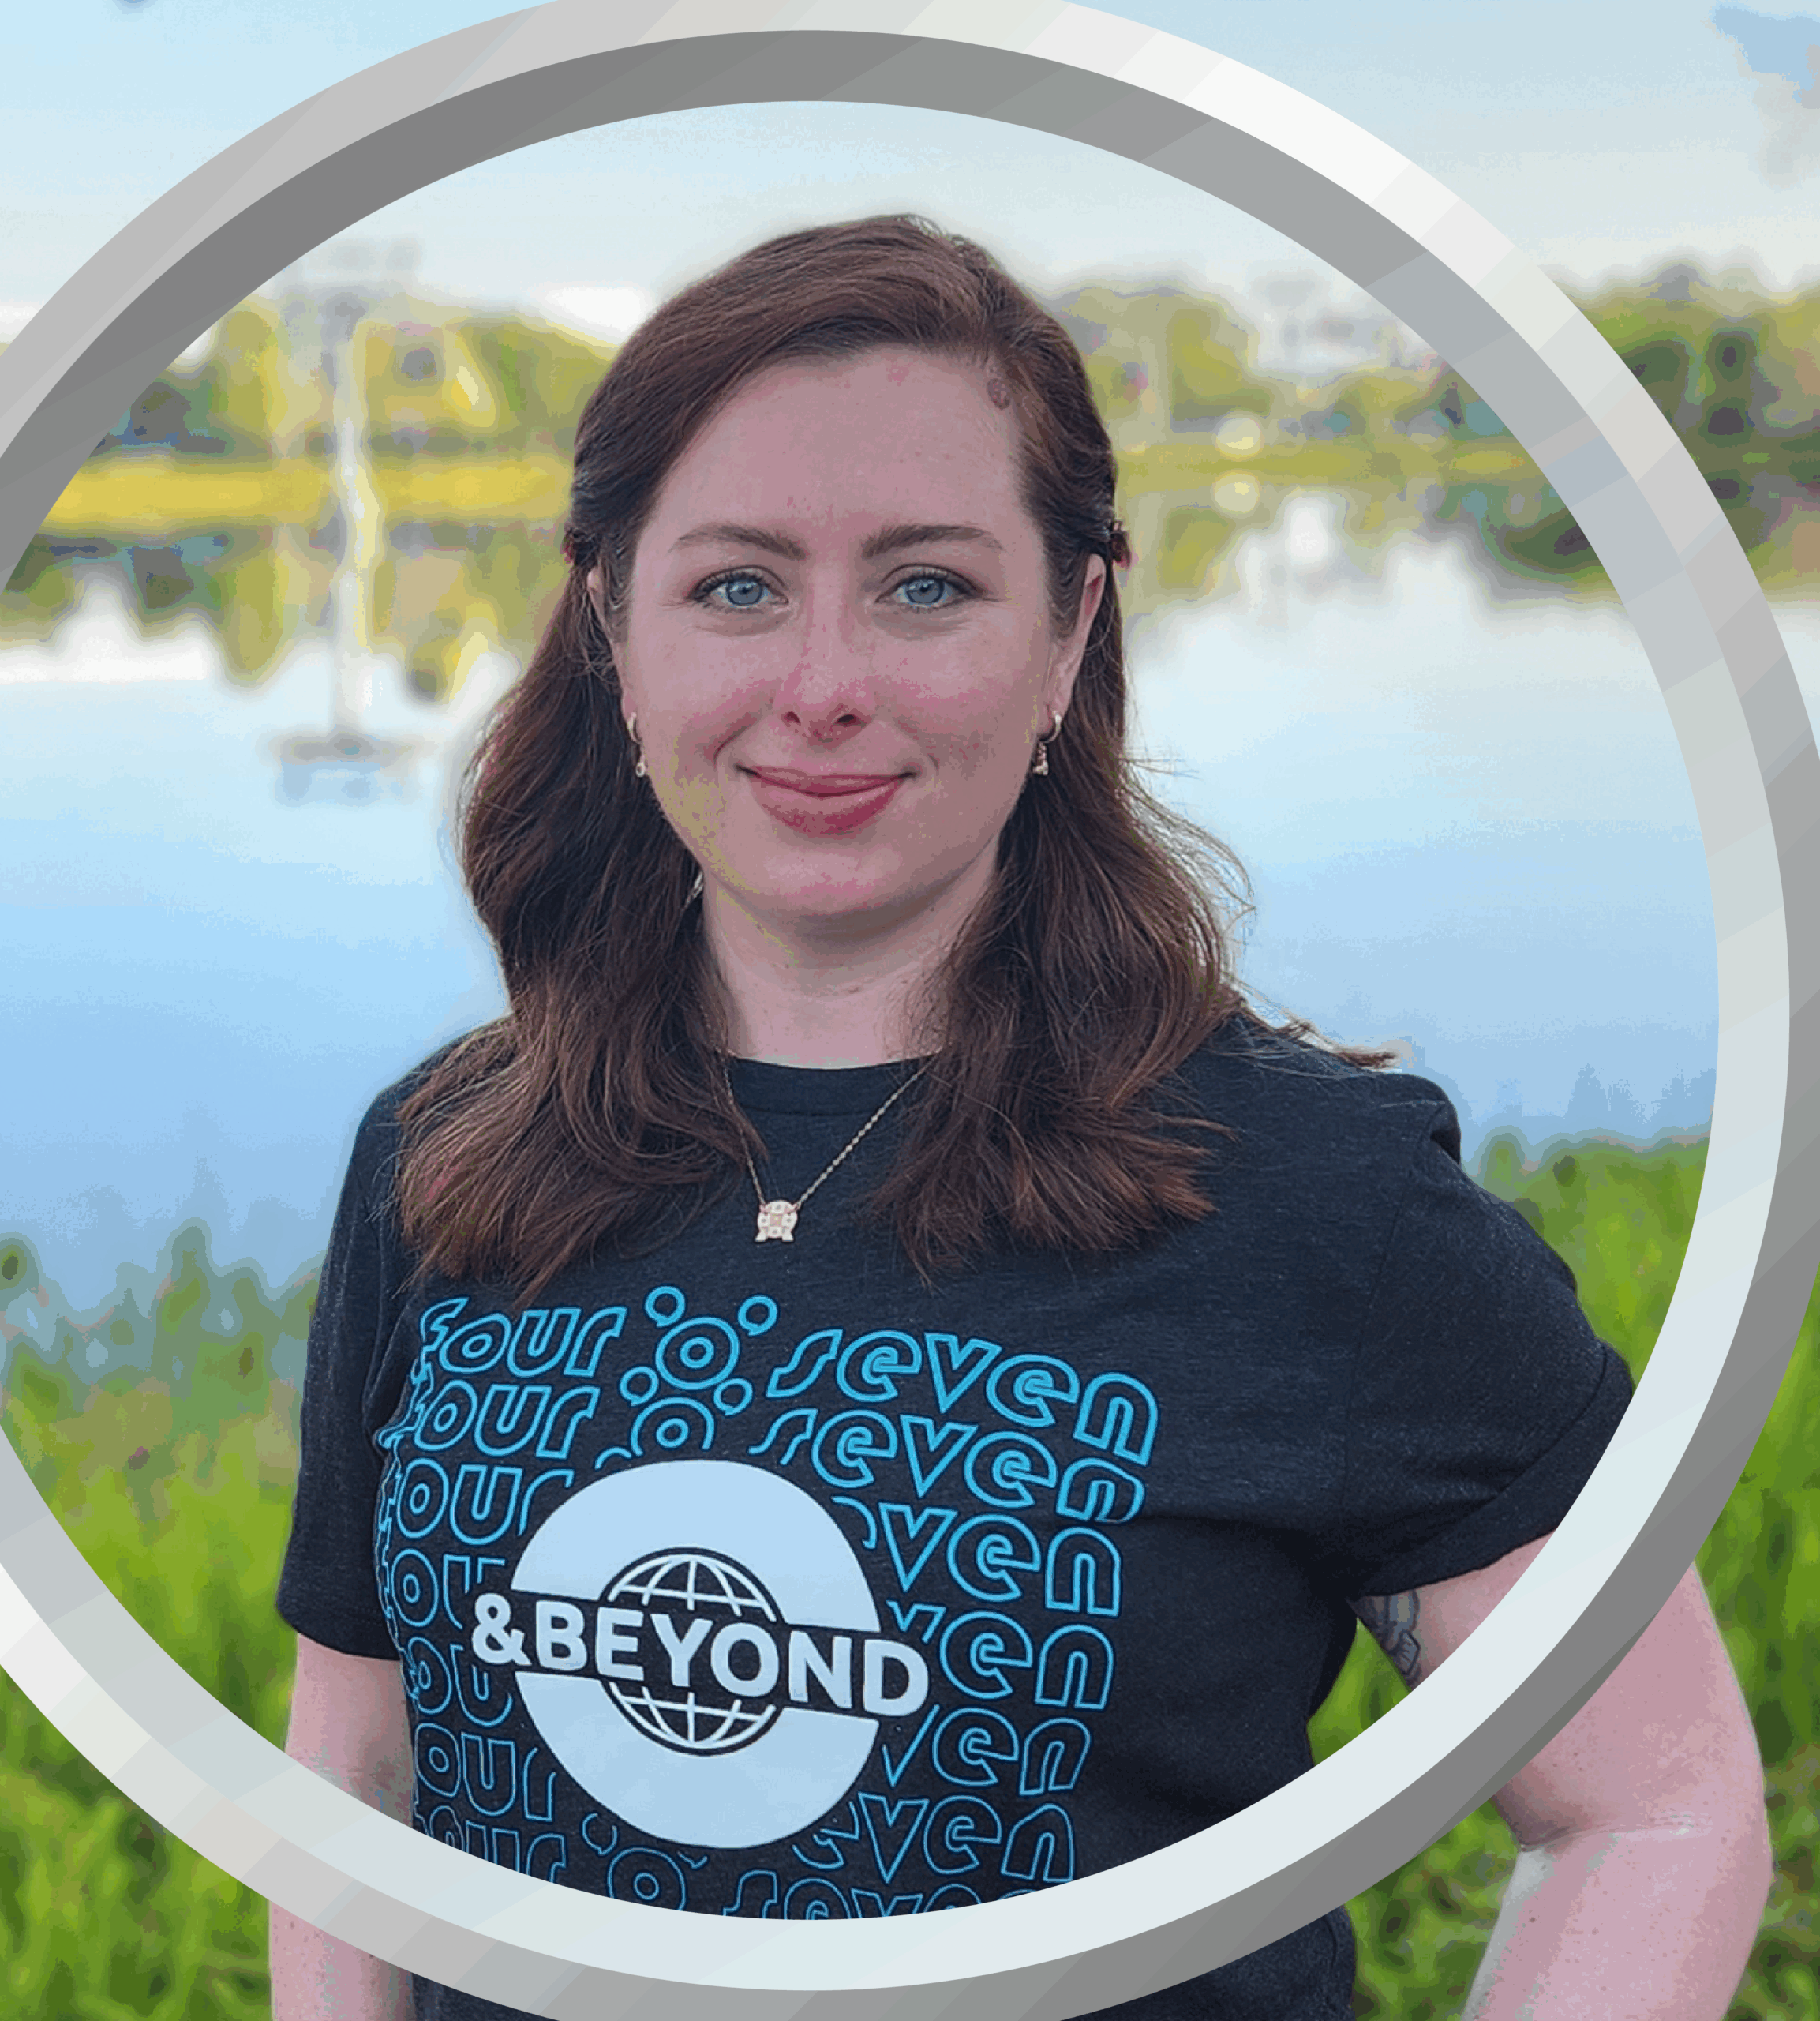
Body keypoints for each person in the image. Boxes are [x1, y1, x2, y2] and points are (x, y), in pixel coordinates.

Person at [268, 216, 1770, 2021]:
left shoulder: (1316, 1200)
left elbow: (1649, 1805)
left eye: (926, 587)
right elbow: (352, 1772)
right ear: (610, 628)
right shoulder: (440, 1154)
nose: (824, 682)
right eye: (737, 586)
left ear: (1070, 631)